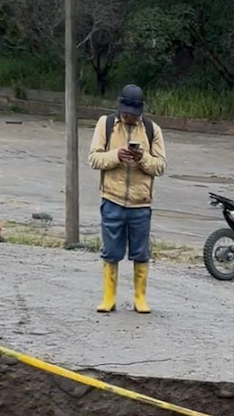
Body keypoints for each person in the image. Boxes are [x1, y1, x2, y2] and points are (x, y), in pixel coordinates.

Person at [88, 84, 166, 314]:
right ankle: (108, 297)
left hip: (141, 202)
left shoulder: (153, 130)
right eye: (125, 112)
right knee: (111, 251)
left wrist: (142, 158)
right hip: (111, 197)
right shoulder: (106, 124)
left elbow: (160, 166)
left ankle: (139, 298)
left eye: (133, 114)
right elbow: (93, 158)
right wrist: (116, 156)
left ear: (140, 112)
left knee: (140, 252)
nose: (128, 117)